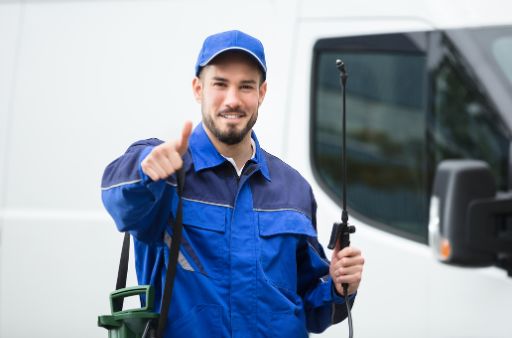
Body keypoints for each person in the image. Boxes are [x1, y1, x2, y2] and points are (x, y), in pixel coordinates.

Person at [101, 30, 364, 337]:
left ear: (262, 93)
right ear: (198, 89)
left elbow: (312, 308)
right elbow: (121, 201)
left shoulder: (294, 189)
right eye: (220, 84)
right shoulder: (165, 173)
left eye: (246, 86)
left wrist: (336, 285)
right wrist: (144, 169)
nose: (233, 100)